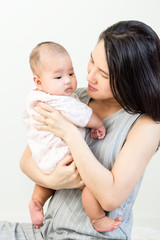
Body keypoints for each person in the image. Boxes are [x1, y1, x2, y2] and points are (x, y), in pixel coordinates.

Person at [0, 20, 160, 240]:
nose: (90, 76)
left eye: (103, 74)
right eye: (91, 61)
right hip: (47, 231)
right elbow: (27, 161)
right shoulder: (75, 99)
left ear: (131, 80)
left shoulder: (147, 126)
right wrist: (55, 181)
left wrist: (69, 133)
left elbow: (110, 197)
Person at [22, 41, 121, 231]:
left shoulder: (35, 98)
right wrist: (98, 123)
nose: (67, 81)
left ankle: (37, 200)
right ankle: (98, 219)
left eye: (71, 73)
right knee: (90, 187)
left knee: (45, 181)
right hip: (64, 155)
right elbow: (83, 114)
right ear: (38, 82)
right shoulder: (61, 101)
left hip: (42, 158)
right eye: (58, 77)